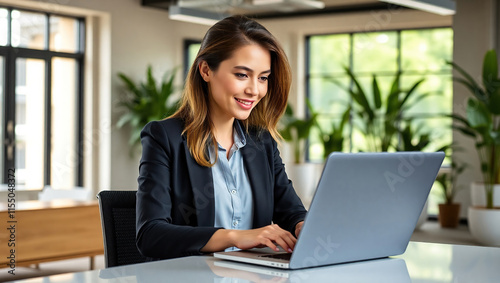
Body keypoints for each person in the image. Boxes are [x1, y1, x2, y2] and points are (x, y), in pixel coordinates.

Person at [136, 15, 307, 261]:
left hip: (252, 276)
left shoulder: (261, 142)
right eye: (241, 75)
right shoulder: (165, 138)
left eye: (263, 77)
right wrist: (234, 236)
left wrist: (303, 225)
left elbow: (291, 212)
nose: (254, 90)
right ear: (206, 70)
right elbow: (150, 235)